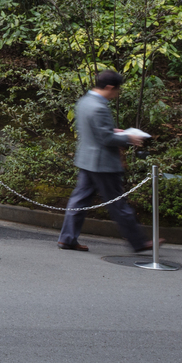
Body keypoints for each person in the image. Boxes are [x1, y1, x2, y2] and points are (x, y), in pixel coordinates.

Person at [57, 69, 150, 253]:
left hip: (87, 159)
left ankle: (67, 238)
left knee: (79, 200)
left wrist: (113, 131)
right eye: (116, 90)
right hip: (103, 163)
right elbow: (106, 139)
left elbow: (95, 131)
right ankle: (138, 242)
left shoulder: (84, 101)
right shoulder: (99, 106)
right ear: (109, 87)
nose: (117, 94)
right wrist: (129, 138)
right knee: (118, 203)